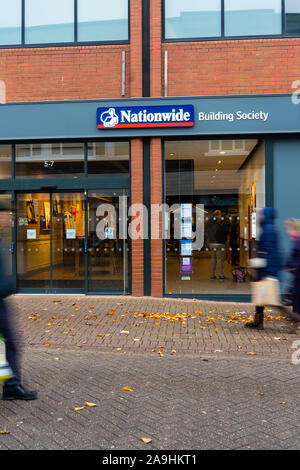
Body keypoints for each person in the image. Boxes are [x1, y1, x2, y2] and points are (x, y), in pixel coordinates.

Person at [0, 203, 37, 400]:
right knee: (12, 343)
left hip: (2, 301)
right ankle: (12, 386)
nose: (10, 218)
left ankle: (12, 385)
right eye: (6, 214)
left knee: (12, 343)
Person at [245, 207, 282, 329]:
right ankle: (258, 322)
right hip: (266, 269)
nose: (259, 217)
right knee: (261, 297)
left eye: (261, 215)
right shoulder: (269, 229)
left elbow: (270, 252)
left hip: (266, 270)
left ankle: (294, 317)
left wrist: (268, 271)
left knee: (271, 300)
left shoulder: (268, 230)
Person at [206, 210, 229, 280]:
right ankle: (221, 275)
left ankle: (212, 275)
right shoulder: (220, 222)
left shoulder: (209, 222)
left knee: (213, 259)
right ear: (218, 215)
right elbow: (225, 231)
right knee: (219, 260)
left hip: (212, 243)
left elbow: (207, 232)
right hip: (219, 243)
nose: (221, 216)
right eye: (220, 215)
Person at [285, 218, 300, 323]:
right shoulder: (295, 239)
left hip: (298, 272)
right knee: (295, 293)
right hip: (297, 272)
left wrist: (293, 266)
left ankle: (296, 315)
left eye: (288, 228)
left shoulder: (297, 240)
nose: (287, 231)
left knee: (296, 293)